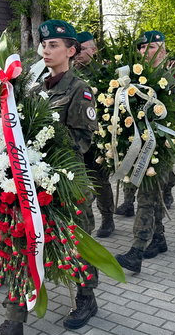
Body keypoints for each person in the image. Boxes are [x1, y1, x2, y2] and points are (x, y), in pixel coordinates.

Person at [0, 20, 100, 334]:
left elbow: (84, 140)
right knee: (23, 240)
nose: (46, 50)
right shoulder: (35, 90)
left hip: (68, 183)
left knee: (76, 242)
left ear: (71, 50)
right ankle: (14, 319)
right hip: (32, 180)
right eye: (44, 45)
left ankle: (86, 296)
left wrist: (47, 148)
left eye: (54, 45)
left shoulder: (80, 90)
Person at [116, 30, 175, 216]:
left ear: (162, 51)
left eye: (150, 47)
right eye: (141, 47)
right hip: (134, 132)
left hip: (158, 136)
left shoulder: (169, 79)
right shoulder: (134, 76)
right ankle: (128, 201)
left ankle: (167, 187)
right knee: (131, 163)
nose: (144, 51)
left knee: (157, 171)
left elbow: (174, 114)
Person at [72, 31, 115, 237]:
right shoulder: (69, 74)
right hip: (75, 139)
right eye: (77, 49)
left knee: (100, 180)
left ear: (94, 50)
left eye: (84, 49)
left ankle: (107, 218)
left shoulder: (105, 74)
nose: (79, 54)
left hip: (97, 139)